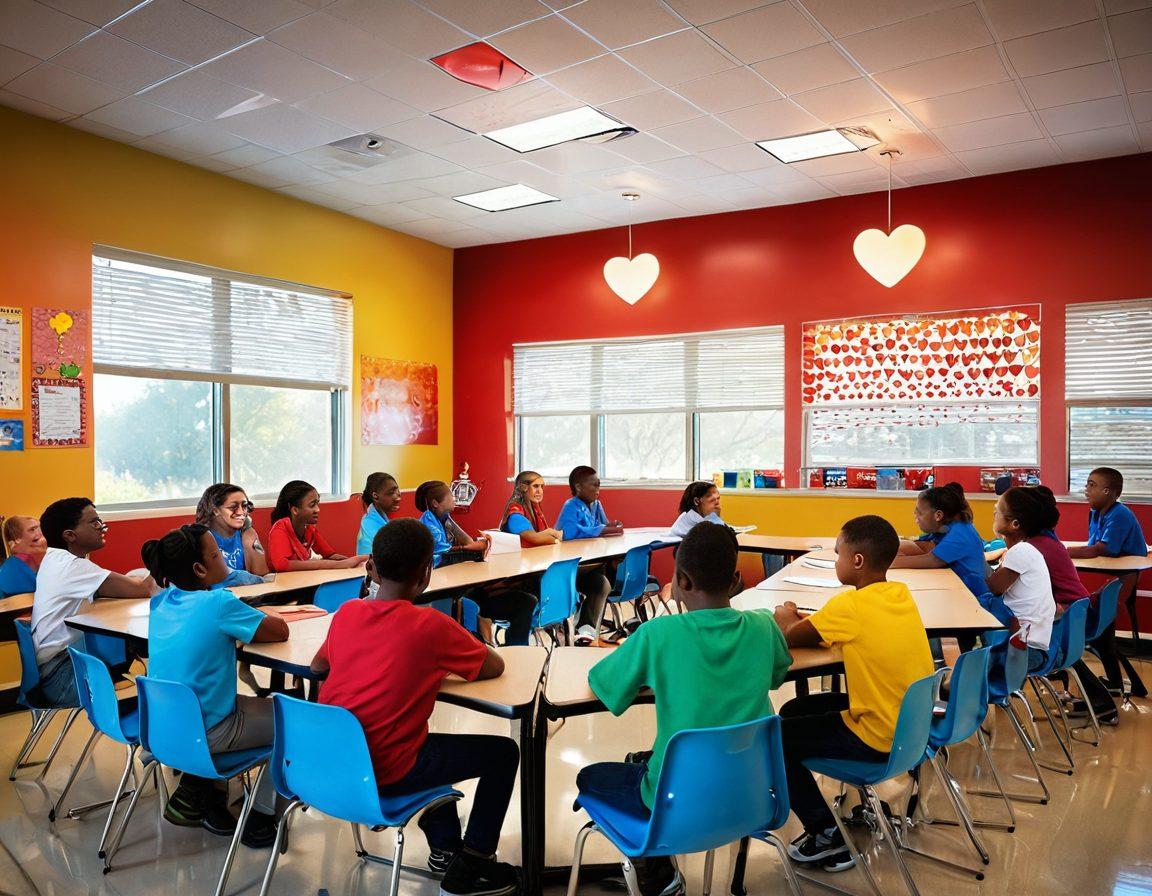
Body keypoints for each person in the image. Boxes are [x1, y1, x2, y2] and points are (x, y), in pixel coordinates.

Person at [311, 519, 521, 896]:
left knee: (429, 744)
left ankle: (444, 847)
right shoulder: (431, 625)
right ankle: (472, 864)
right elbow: (494, 666)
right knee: (502, 752)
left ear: (372, 566)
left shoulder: (348, 613)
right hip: (387, 768)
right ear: (427, 571)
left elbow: (317, 666)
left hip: (334, 763)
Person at [581, 523, 791, 896]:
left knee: (592, 777)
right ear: (737, 580)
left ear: (680, 581)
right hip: (753, 796)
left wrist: (652, 671)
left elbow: (604, 685)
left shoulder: (657, 635)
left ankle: (659, 877)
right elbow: (775, 675)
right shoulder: (764, 627)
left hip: (675, 802)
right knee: (640, 759)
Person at [773, 515, 934, 872]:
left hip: (876, 738)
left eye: (838, 554)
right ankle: (816, 799)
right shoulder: (898, 594)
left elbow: (789, 635)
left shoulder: (850, 607)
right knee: (797, 709)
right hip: (909, 729)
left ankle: (826, 833)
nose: (836, 562)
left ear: (857, 561)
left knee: (775, 738)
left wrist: (785, 612)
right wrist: (808, 623)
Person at [144, 524, 289, 846]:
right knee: (293, 721)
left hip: (163, 726)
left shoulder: (161, 602)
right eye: (216, 553)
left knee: (262, 703)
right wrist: (254, 614)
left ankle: (199, 788)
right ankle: (262, 817)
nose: (224, 555)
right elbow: (279, 631)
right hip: (208, 730)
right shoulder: (220, 604)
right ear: (199, 569)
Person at [29, 498, 154, 706]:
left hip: (58, 667)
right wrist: (164, 559)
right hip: (63, 677)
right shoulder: (71, 566)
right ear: (70, 535)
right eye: (94, 523)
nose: (102, 527)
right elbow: (144, 589)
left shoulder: (55, 558)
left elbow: (123, 586)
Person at [1023, 486, 1118, 723]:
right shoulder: (1048, 540)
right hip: (1077, 611)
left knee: (1019, 629)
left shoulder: (1034, 548)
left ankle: (1099, 702)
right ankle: (1098, 700)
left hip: (1071, 616)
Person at [416, 480, 537, 646]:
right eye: (450, 496)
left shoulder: (443, 518)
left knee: (526, 600)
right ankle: (480, 641)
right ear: (436, 503)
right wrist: (477, 547)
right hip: (446, 587)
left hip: (462, 583)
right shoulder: (429, 524)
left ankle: (515, 649)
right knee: (476, 600)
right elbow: (447, 553)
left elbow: (466, 542)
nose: (454, 498)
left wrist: (452, 522)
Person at [1066, 467, 1149, 698]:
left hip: (1126, 577)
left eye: (1092, 485)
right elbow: (1094, 544)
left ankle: (1114, 682)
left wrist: (1064, 552)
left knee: (1101, 621)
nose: (1086, 490)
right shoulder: (1097, 511)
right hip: (1115, 577)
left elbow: (1103, 549)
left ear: (1109, 492)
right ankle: (1115, 681)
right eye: (1087, 485)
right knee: (1101, 621)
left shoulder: (1120, 514)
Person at [983, 487, 1057, 673]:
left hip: (1025, 652)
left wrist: (975, 559)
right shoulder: (1024, 550)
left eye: (998, 511)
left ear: (1014, 524)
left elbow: (993, 587)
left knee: (964, 663)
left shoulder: (1021, 551)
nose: (994, 513)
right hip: (1028, 646)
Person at [555, 466, 619, 643]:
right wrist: (603, 529)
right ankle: (583, 625)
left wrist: (612, 526)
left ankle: (586, 627)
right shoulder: (570, 506)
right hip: (572, 567)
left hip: (592, 561)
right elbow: (570, 532)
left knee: (606, 574)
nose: (598, 490)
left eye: (599, 485)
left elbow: (605, 526)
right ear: (578, 487)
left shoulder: (596, 505)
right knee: (600, 580)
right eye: (594, 486)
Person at [890, 483, 988, 597]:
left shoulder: (960, 533)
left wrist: (886, 562)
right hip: (957, 589)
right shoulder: (945, 527)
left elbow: (931, 560)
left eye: (919, 513)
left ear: (938, 515)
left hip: (976, 598)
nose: (916, 518)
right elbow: (923, 545)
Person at [265, 480, 368, 573]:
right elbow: (282, 565)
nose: (318, 509)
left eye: (317, 504)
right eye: (312, 505)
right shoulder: (279, 529)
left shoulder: (309, 529)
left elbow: (330, 556)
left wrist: (353, 563)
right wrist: (335, 565)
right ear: (295, 510)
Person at [194, 483, 268, 586]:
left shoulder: (247, 534)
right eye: (233, 507)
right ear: (215, 511)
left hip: (245, 595)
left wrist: (250, 536)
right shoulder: (202, 538)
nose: (241, 512)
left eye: (244, 506)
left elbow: (261, 573)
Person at [498, 470, 563, 547]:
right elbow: (535, 538)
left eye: (542, 486)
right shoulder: (515, 514)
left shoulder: (534, 508)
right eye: (535, 486)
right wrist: (553, 536)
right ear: (523, 487)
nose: (540, 491)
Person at [357, 471, 402, 555]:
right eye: (391, 493)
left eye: (398, 492)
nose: (398, 498)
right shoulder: (369, 523)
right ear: (375, 496)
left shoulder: (381, 520)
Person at [1, 515, 45, 597]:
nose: (40, 532)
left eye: (40, 527)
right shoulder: (14, 567)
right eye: (32, 529)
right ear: (17, 539)